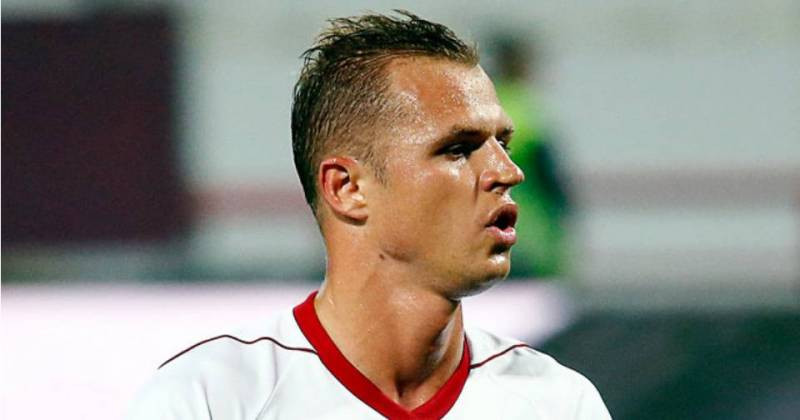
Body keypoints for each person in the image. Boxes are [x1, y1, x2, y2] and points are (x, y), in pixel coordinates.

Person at [128, 11, 611, 419]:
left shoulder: (559, 403)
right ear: (347, 188)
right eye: (458, 149)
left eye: (502, 144)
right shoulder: (210, 399)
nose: (508, 172)